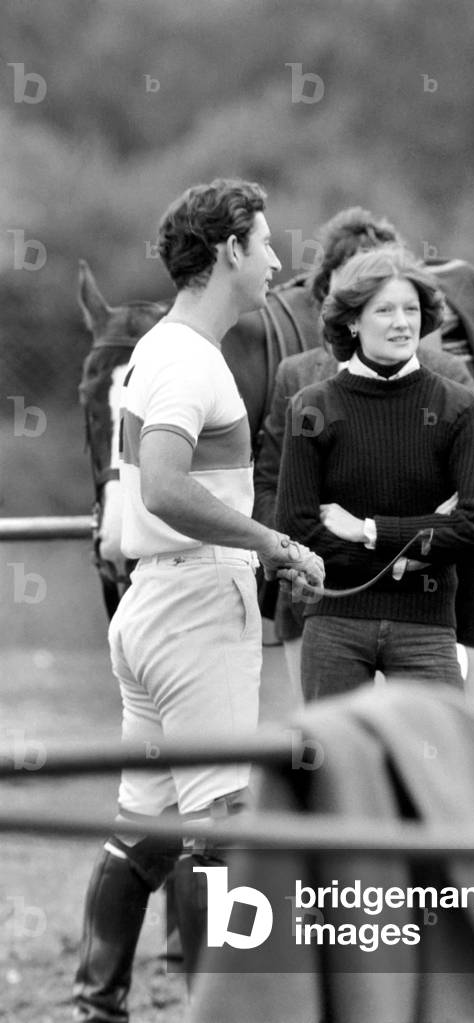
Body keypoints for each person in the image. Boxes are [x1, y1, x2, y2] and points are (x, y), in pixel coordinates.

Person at [73, 178, 323, 1022]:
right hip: (192, 611)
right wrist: (275, 543)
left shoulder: (157, 350)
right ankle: (227, 1011)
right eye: (265, 243)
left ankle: (96, 1003)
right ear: (229, 253)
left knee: (145, 824)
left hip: (153, 608)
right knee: (221, 820)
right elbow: (170, 491)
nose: (277, 260)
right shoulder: (188, 359)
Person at [253, 207, 474, 694]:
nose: (401, 323)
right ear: (351, 321)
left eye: (410, 310)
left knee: (436, 764)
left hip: (429, 625)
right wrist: (420, 541)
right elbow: (298, 526)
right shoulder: (310, 404)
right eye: (385, 310)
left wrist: (369, 531)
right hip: (333, 623)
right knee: (336, 768)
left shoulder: (455, 403)